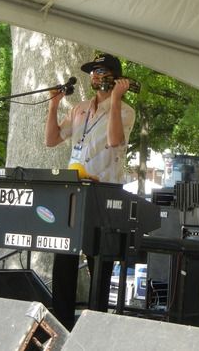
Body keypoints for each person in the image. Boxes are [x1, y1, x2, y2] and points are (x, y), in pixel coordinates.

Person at [45, 52, 135, 329]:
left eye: (102, 71)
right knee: (64, 257)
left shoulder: (126, 110)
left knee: (99, 261)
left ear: (116, 77)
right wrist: (53, 105)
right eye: (93, 71)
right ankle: (60, 324)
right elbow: (51, 140)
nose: (95, 76)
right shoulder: (80, 108)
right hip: (75, 188)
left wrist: (116, 99)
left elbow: (115, 140)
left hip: (103, 191)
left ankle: (95, 326)